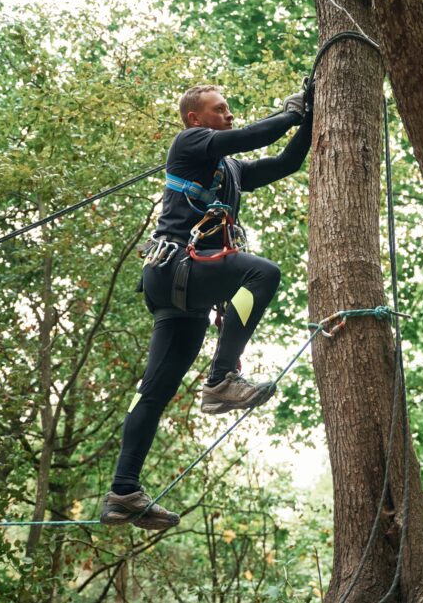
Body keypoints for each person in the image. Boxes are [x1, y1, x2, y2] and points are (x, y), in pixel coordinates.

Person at [100, 83, 313, 530]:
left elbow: (286, 162)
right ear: (195, 118)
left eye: (230, 110)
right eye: (220, 110)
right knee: (263, 273)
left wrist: (310, 115)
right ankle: (221, 379)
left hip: (182, 289)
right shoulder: (190, 142)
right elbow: (250, 137)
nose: (229, 116)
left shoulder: (230, 171)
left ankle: (122, 492)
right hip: (178, 266)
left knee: (153, 392)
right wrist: (290, 113)